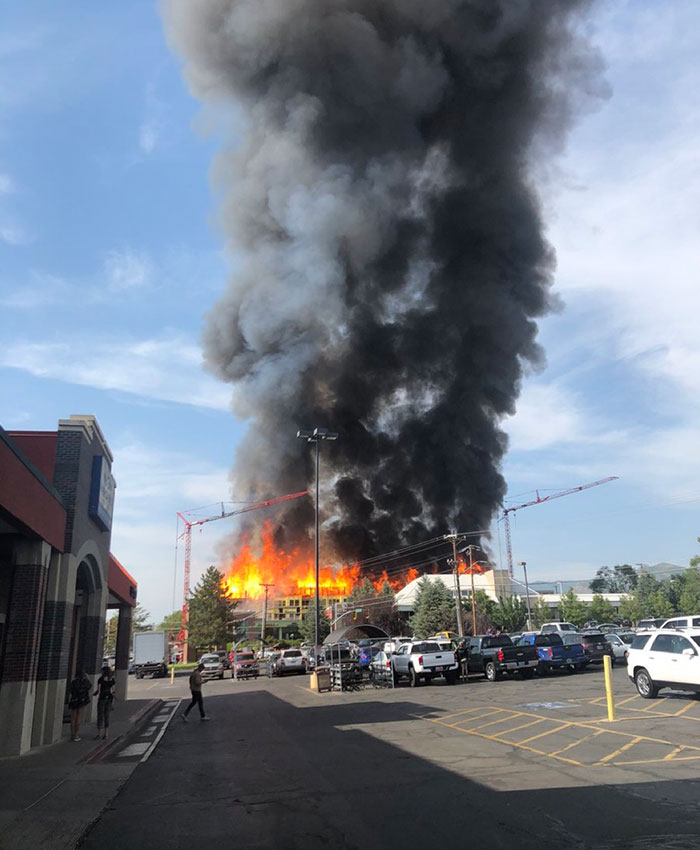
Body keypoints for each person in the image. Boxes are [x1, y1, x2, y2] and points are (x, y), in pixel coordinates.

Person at [68, 668, 92, 741]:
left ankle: (72, 734)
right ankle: (76, 734)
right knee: (79, 717)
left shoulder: (74, 681)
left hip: (74, 700)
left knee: (73, 718)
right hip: (82, 700)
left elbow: (71, 689)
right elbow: (89, 687)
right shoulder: (86, 682)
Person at [93, 665, 116, 740]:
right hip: (109, 698)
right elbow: (113, 691)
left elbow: (98, 690)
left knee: (100, 715)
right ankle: (106, 734)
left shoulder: (101, 680)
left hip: (102, 698)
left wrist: (94, 694)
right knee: (107, 715)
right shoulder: (112, 680)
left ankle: (99, 733)